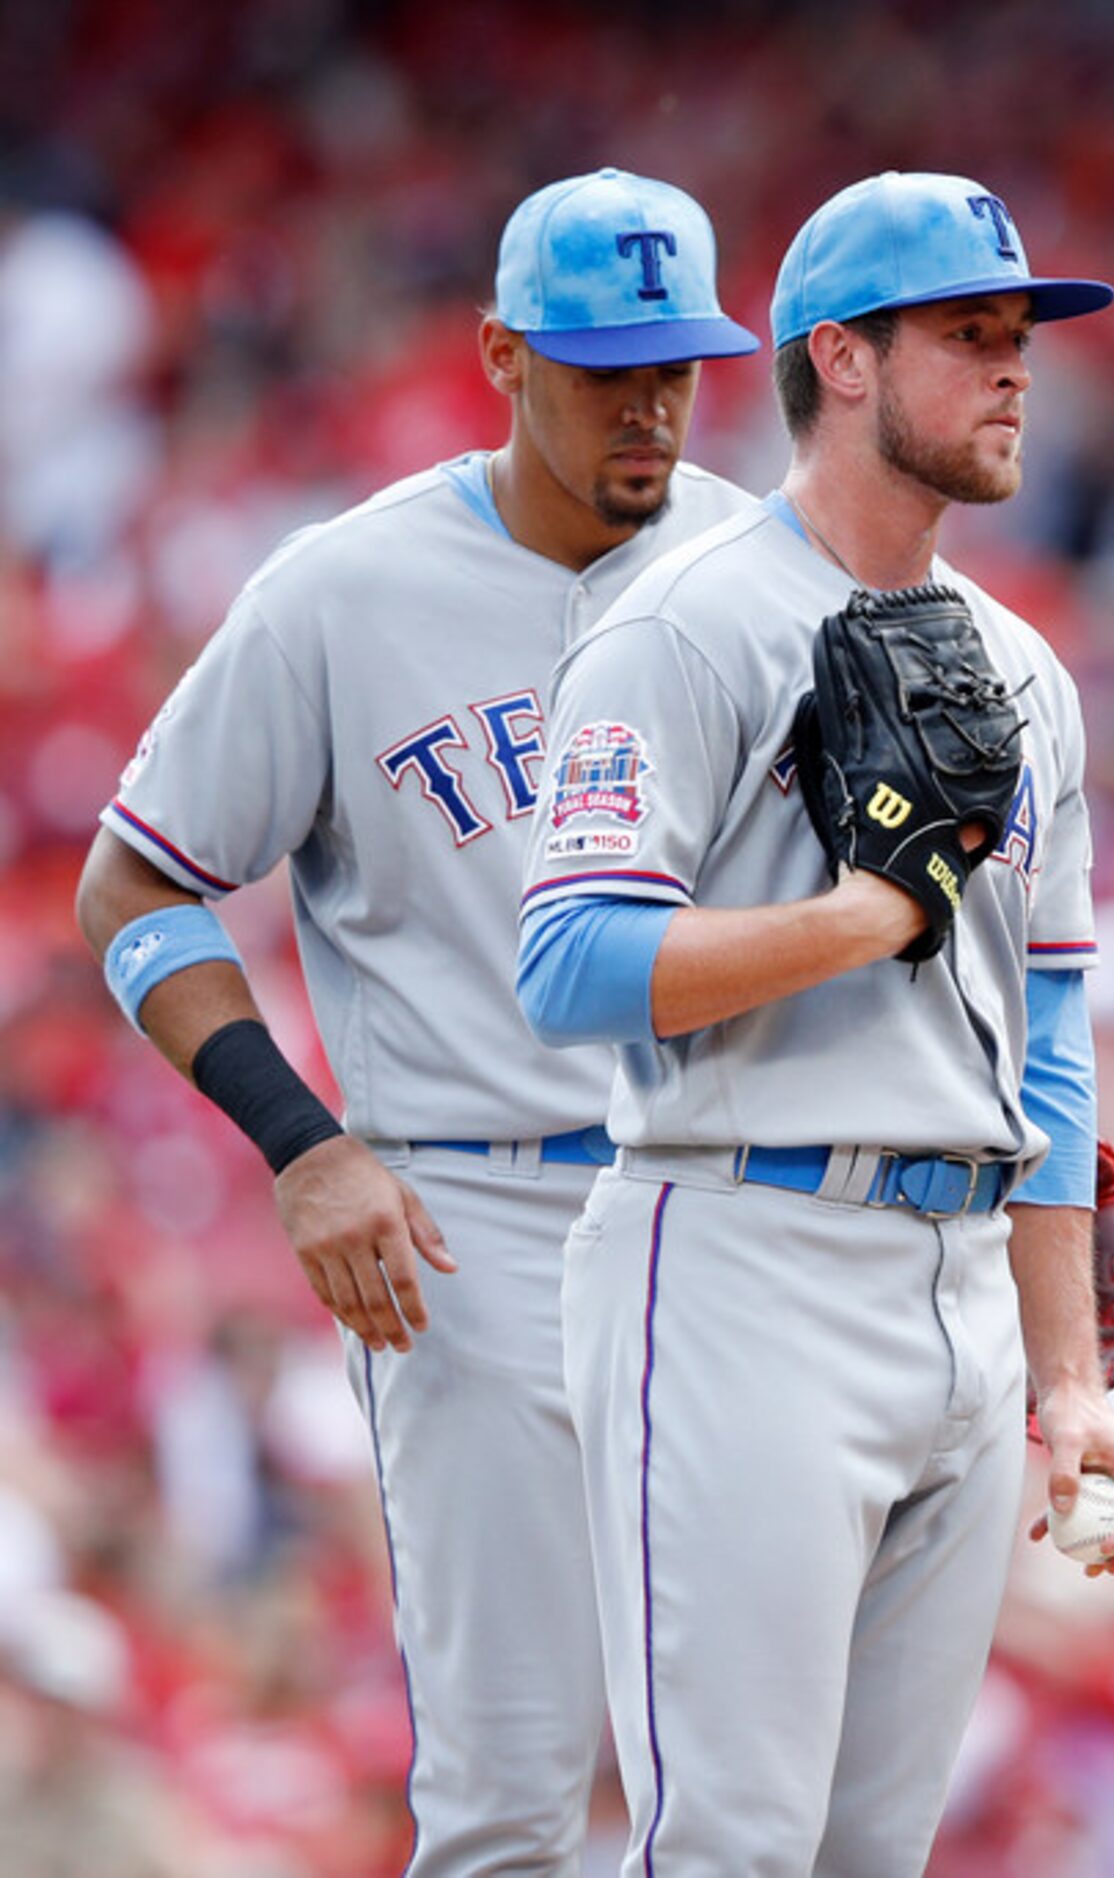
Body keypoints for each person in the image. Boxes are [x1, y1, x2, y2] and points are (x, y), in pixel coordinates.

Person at [72, 169, 761, 1871]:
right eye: (610, 368)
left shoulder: (770, 573)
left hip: (749, 1204)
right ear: (502, 359)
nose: (654, 404)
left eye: (678, 364)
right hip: (480, 1220)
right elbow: (134, 888)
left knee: (763, 1794)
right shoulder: (341, 593)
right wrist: (302, 1147)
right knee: (510, 1795)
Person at [512, 170, 1114, 1870]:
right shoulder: (686, 619)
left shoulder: (1029, 674)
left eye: (1022, 337)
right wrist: (861, 918)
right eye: (972, 335)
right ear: (842, 361)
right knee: (729, 1846)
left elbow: (1054, 1047)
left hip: (957, 1291)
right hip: (736, 1253)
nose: (1019, 368)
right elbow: (571, 964)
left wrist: (1068, 1382)